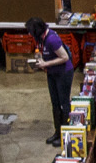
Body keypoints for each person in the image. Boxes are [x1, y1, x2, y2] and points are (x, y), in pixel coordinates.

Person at [27, 17, 76, 148]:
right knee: (55, 104)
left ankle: (66, 135)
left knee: (64, 103)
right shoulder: (41, 39)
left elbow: (64, 57)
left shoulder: (52, 39)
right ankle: (57, 132)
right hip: (52, 74)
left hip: (63, 74)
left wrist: (46, 63)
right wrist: (39, 62)